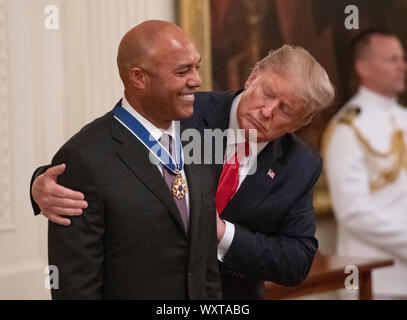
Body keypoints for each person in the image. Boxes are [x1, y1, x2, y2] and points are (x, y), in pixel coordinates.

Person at [31, 44, 335, 298]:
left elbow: (295, 261)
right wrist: (40, 183)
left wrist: (220, 233)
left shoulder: (300, 165)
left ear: (300, 123)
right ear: (253, 76)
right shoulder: (183, 111)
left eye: (285, 110)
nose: (267, 111)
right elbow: (112, 147)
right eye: (267, 93)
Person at [32, 20, 222, 299]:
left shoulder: (198, 141)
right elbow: (74, 286)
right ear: (138, 78)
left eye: (197, 67)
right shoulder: (83, 159)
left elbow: (204, 268)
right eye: (183, 71)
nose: (196, 80)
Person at [323, 29, 407, 299]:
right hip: (376, 277)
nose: (402, 66)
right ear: (363, 67)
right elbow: (353, 211)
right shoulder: (347, 127)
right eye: (392, 60)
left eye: (402, 59)